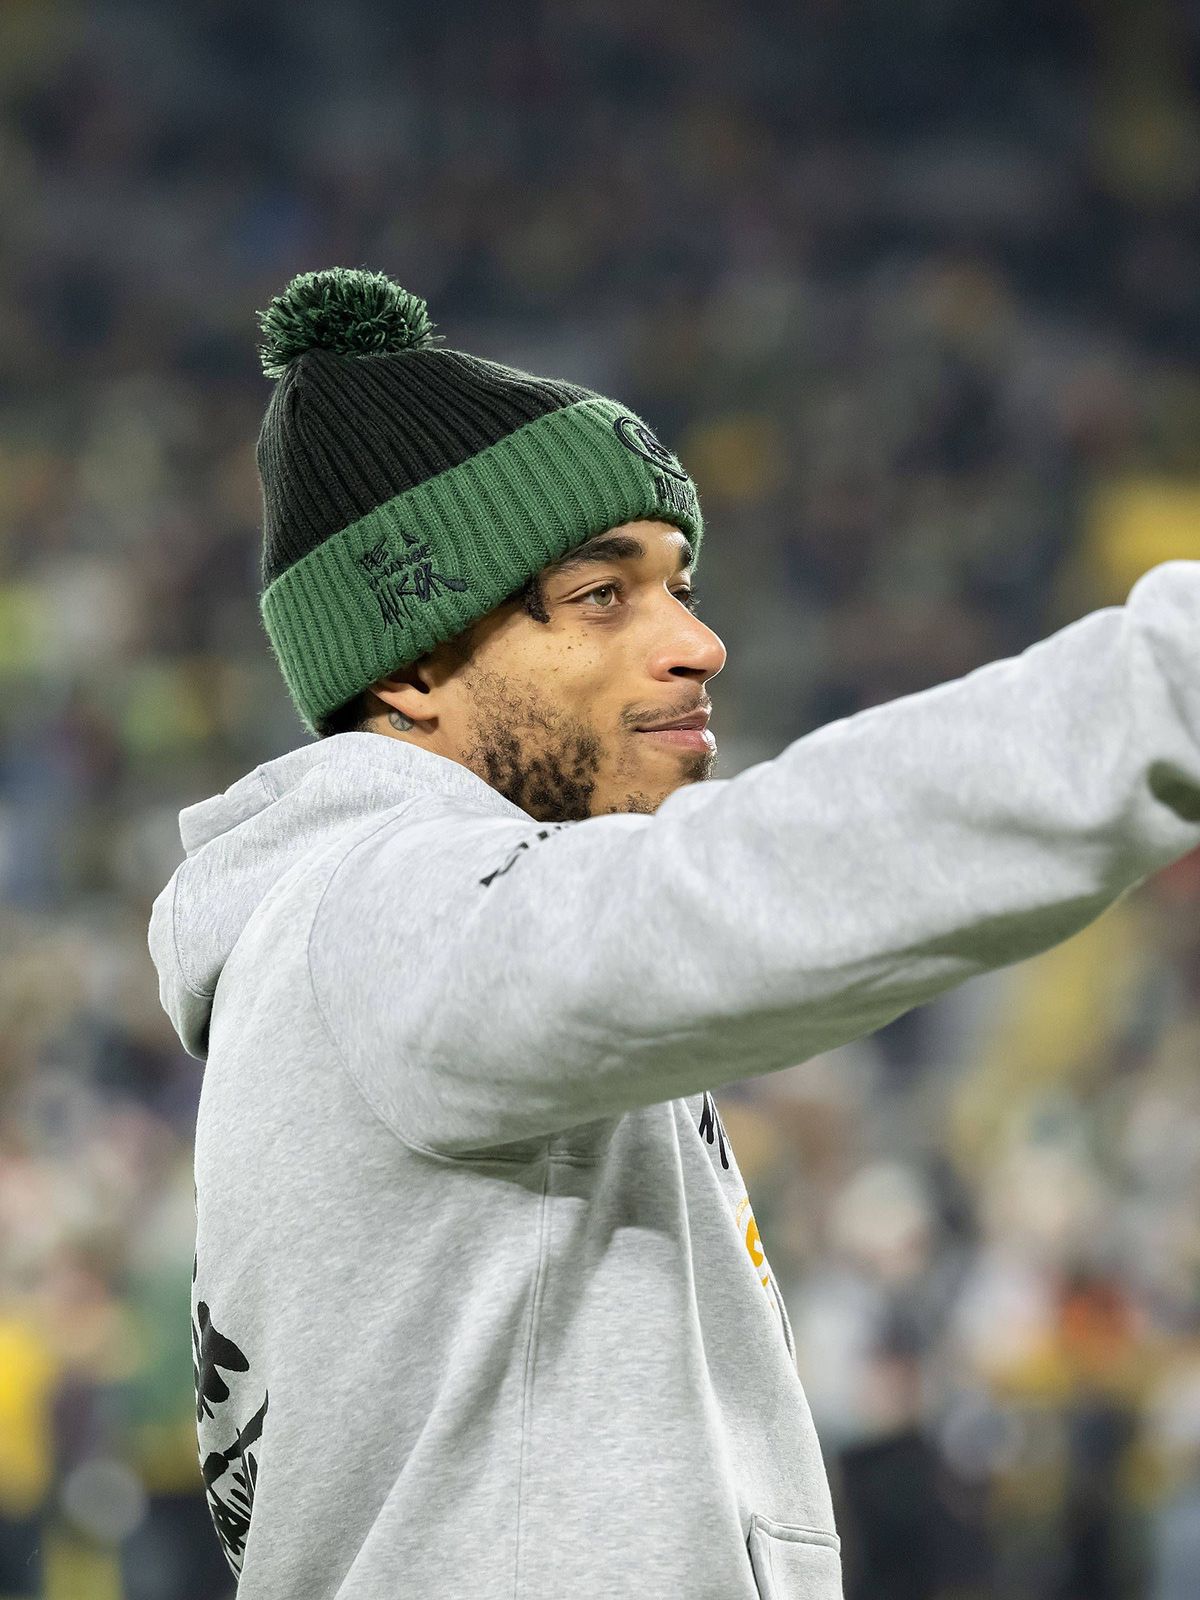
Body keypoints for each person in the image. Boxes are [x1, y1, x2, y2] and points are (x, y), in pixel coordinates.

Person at [148, 266, 1200, 1600]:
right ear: (410, 665)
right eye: (603, 596)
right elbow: (771, 873)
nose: (700, 643)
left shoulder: (371, 939)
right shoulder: (376, 910)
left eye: (680, 586)